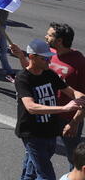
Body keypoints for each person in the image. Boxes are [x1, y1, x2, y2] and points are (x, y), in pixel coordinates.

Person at [12, 39, 85, 180]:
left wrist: (79, 96)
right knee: (46, 175)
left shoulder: (49, 74)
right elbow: (31, 107)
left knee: (31, 170)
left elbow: (71, 91)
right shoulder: (22, 78)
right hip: (33, 134)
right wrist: (65, 108)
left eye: (50, 57)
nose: (49, 61)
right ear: (32, 57)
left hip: (50, 132)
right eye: (45, 58)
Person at [46, 23, 85, 168]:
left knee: (74, 157)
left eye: (49, 35)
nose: (46, 37)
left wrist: (74, 123)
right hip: (49, 114)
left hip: (68, 119)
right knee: (43, 151)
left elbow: (84, 98)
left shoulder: (79, 63)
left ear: (59, 41)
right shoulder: (49, 53)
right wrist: (20, 56)